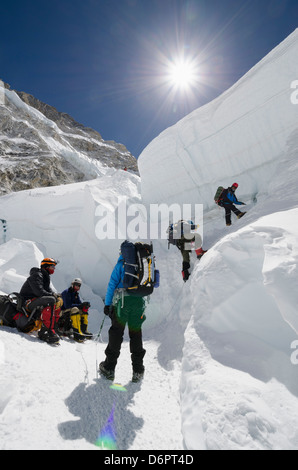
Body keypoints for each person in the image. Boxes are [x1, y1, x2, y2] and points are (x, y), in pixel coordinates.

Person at [99, 251, 146, 383]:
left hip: (122, 303)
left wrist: (107, 304)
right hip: (138, 303)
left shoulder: (121, 265)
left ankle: (109, 368)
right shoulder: (143, 264)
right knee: (136, 335)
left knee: (116, 334)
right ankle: (138, 370)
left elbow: (112, 285)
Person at [19, 257, 60, 343]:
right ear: (46, 266)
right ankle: (45, 332)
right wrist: (52, 295)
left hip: (34, 301)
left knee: (58, 301)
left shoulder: (45, 277)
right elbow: (39, 292)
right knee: (51, 300)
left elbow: (48, 291)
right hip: (27, 302)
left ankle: (53, 329)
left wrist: (56, 295)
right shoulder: (37, 275)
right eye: (52, 266)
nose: (54, 269)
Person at [59, 278, 92, 342]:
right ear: (72, 284)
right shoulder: (67, 292)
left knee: (84, 311)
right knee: (75, 309)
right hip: (62, 312)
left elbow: (79, 304)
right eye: (76, 284)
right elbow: (67, 306)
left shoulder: (75, 294)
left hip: (69, 310)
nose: (77, 286)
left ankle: (83, 331)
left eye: (79, 285)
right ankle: (77, 334)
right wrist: (80, 305)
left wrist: (84, 305)